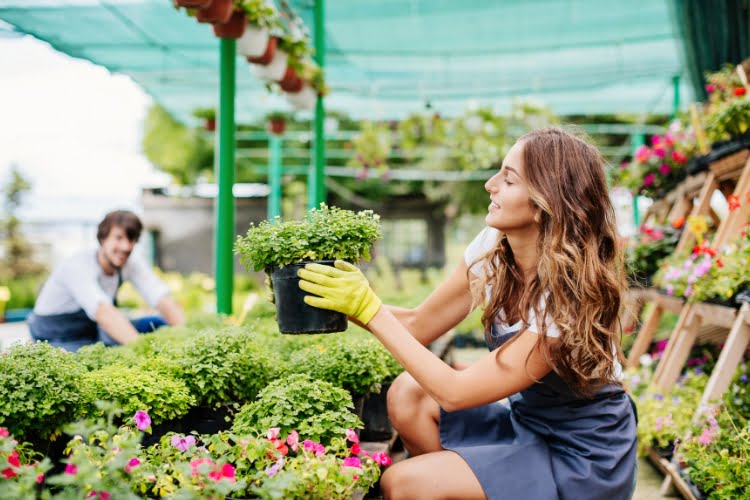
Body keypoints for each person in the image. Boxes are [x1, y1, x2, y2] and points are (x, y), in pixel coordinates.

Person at [297, 128, 638, 500]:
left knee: (404, 483)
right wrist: (334, 301)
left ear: (544, 203)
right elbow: (418, 324)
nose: (490, 185)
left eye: (508, 179)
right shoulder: (494, 248)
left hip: (580, 457)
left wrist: (369, 307)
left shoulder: (565, 299)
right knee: (408, 395)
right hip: (527, 423)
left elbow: (455, 394)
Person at [28, 210, 185, 352]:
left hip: (91, 329)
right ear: (102, 238)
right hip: (54, 333)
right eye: (118, 238)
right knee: (91, 358)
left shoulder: (130, 263)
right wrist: (143, 351)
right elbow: (103, 312)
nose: (125, 246)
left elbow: (159, 296)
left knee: (156, 323)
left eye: (132, 239)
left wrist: (187, 339)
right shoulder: (78, 265)